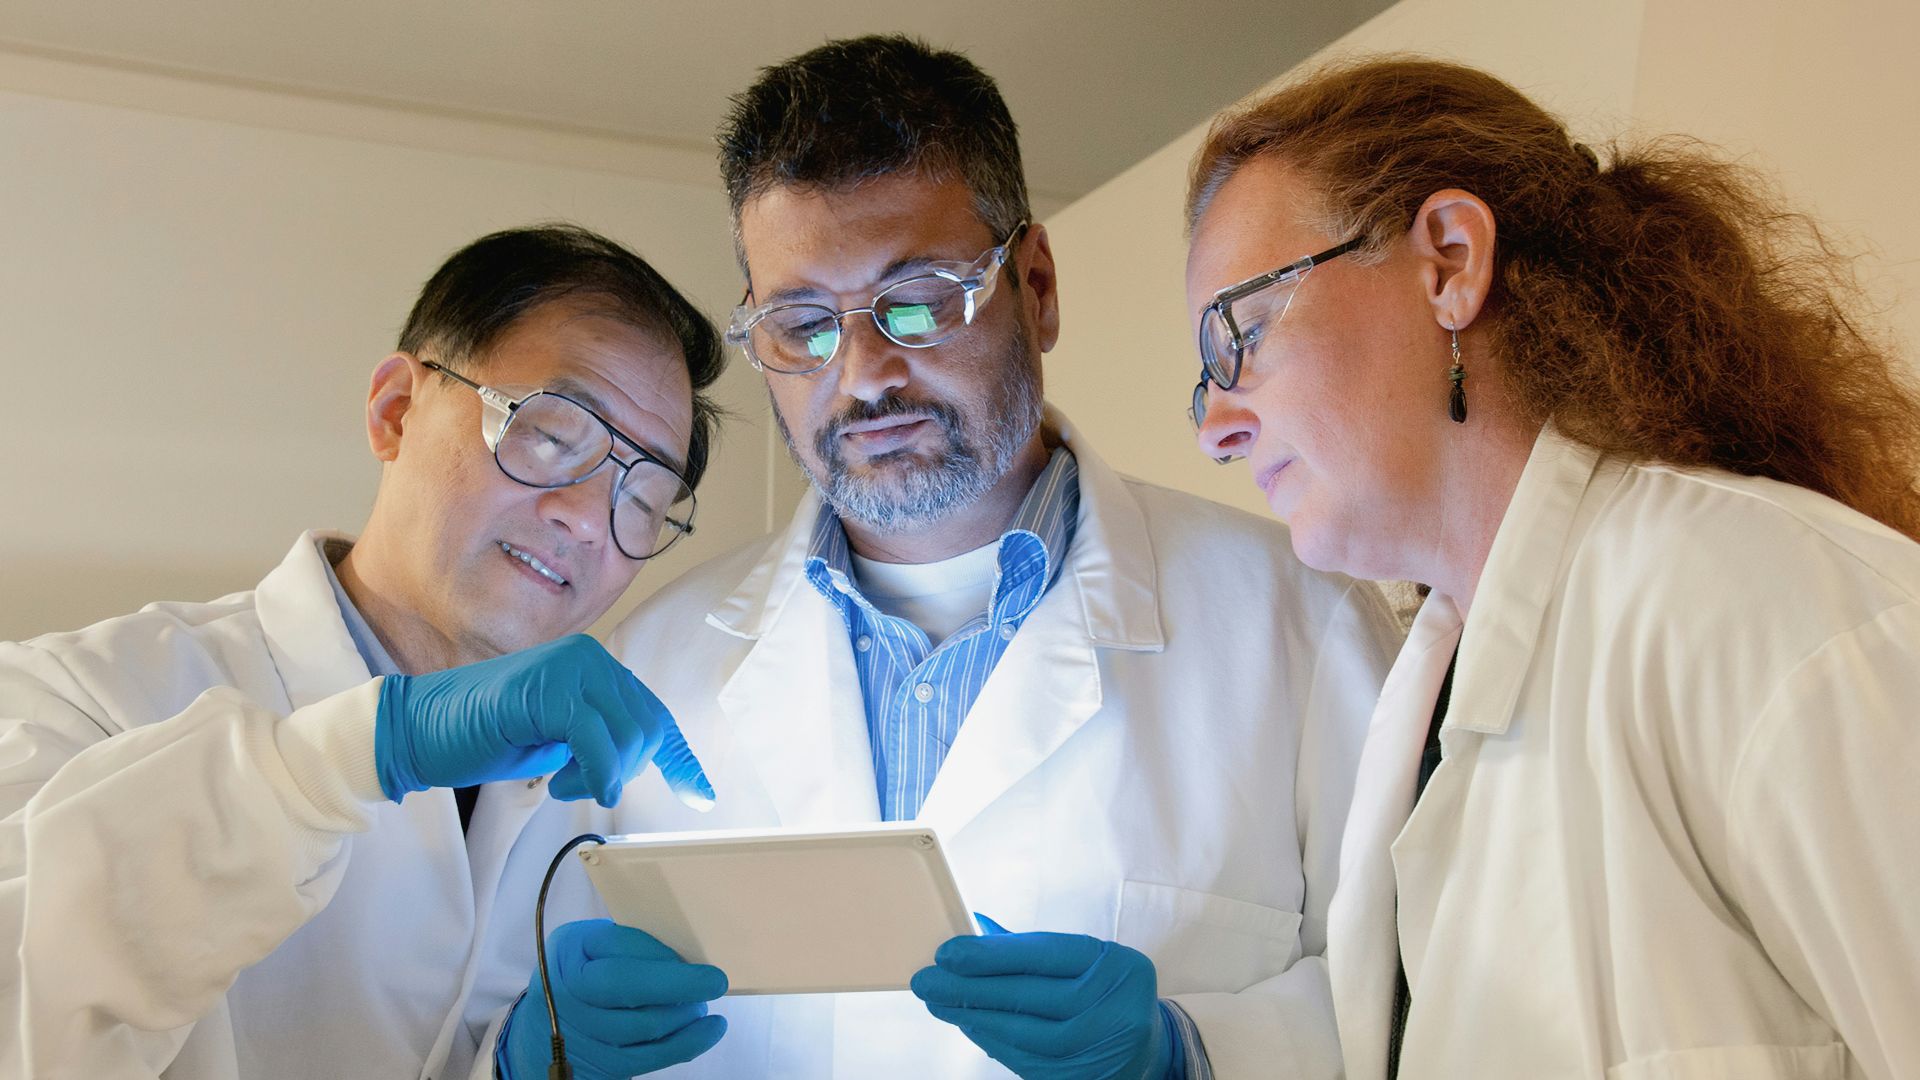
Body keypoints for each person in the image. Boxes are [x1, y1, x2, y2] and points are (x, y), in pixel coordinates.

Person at [582, 35, 1403, 1080]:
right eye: (802, 325)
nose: (866, 376)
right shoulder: (650, 671)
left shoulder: (1301, 621)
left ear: (1038, 286)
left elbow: (1423, 996)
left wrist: (1191, 1054)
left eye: (919, 299)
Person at [1184, 56, 1920, 1079]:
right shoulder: (1424, 704)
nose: (1217, 425)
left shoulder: (1768, 606)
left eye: (1242, 335)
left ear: (1448, 260)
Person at [1, 224, 737, 1080]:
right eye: (551, 434)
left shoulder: (604, 807)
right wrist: (346, 758)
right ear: (396, 411)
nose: (584, 517)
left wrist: (511, 1069)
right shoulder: (74, 694)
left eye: (643, 496)